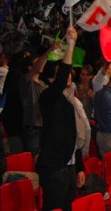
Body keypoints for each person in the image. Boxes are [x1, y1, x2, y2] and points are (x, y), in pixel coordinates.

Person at [36, 27, 85, 211]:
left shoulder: (68, 100)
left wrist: (79, 166)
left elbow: (73, 134)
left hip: (70, 167)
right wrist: (71, 44)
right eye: (60, 74)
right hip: (55, 168)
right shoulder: (48, 97)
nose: (68, 75)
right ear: (50, 79)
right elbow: (63, 75)